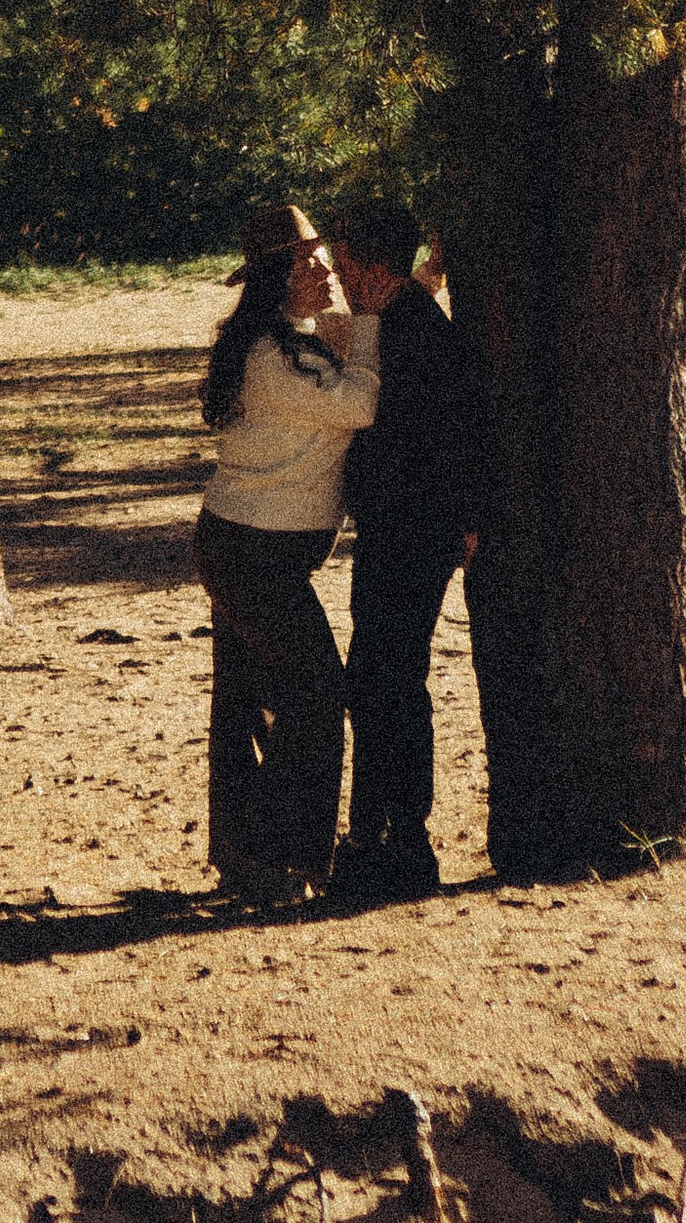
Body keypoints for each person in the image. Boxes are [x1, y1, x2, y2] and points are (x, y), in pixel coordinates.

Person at [194, 202, 382, 907]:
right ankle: (281, 856)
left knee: (246, 700)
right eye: (307, 262)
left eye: (323, 256)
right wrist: (368, 321)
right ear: (275, 277)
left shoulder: (287, 338)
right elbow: (360, 404)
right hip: (251, 555)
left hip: (243, 547)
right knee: (315, 695)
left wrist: (405, 290)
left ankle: (245, 854)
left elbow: (342, 349)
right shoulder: (272, 359)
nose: (325, 269)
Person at [326, 197, 483, 903]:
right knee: (381, 680)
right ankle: (382, 835)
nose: (337, 274)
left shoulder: (410, 332)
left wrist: (462, 518)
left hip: (411, 531)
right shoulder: (400, 319)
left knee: (386, 682)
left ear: (371, 268)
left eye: (344, 262)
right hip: (401, 528)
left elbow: (454, 434)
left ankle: (396, 841)